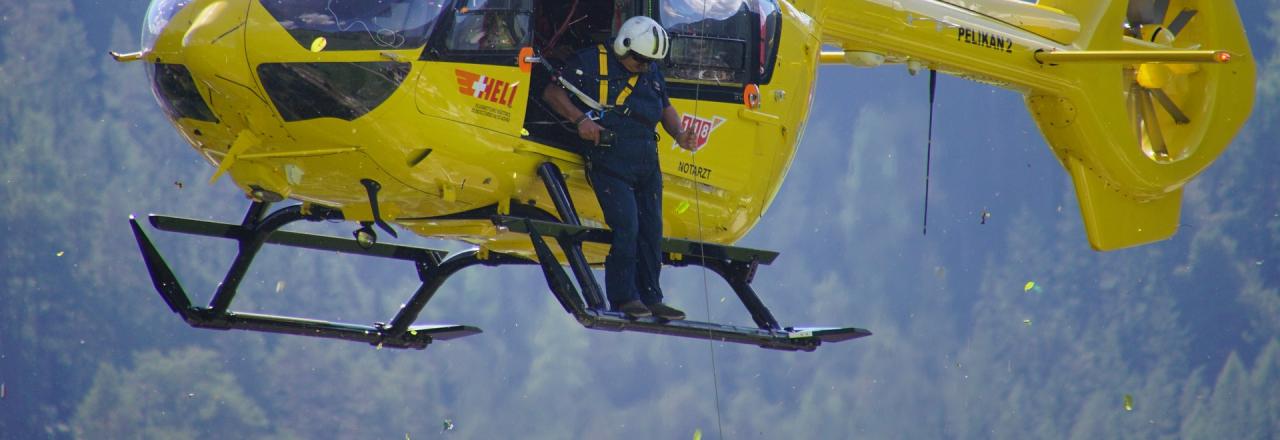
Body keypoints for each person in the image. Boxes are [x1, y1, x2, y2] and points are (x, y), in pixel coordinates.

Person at [542, 16, 698, 320]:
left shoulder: (651, 71)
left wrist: (680, 134)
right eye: (640, 59)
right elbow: (552, 93)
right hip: (610, 161)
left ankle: (651, 297)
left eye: (651, 61)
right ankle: (624, 297)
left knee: (652, 230)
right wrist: (580, 120)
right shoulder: (590, 62)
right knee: (627, 227)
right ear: (623, 46)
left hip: (646, 161)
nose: (644, 65)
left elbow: (665, 107)